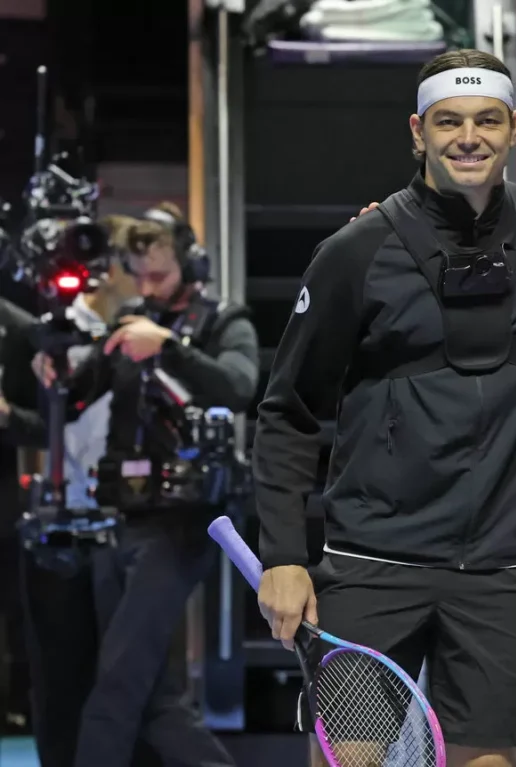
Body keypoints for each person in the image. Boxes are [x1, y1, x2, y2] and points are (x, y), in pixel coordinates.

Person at [252, 49, 516, 767]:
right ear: (418, 132)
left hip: (501, 569)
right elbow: (287, 409)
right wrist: (283, 555)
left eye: (487, 121)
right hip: (372, 565)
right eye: (448, 122)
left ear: (514, 129)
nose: (468, 137)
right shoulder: (356, 250)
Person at [32, 203, 256, 767]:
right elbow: (76, 396)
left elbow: (239, 386)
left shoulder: (222, 321)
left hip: (181, 523)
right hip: (120, 519)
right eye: (139, 275)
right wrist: (54, 375)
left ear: (189, 262)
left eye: (159, 273)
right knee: (154, 698)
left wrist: (169, 348)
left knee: (117, 683)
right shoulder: (128, 322)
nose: (148, 286)